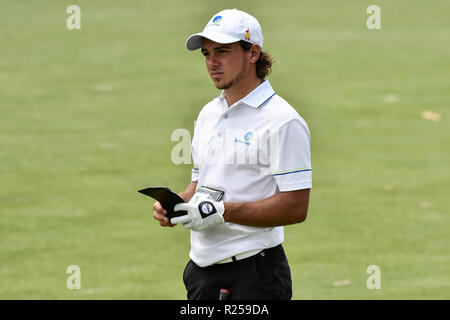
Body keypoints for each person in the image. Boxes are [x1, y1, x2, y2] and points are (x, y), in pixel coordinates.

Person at [153, 8, 312, 300]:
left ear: (253, 53)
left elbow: (295, 207)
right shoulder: (208, 114)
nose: (212, 63)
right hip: (201, 273)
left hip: (254, 276)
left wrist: (223, 212)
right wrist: (178, 205)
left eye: (222, 52)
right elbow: (201, 181)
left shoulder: (283, 121)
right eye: (206, 54)